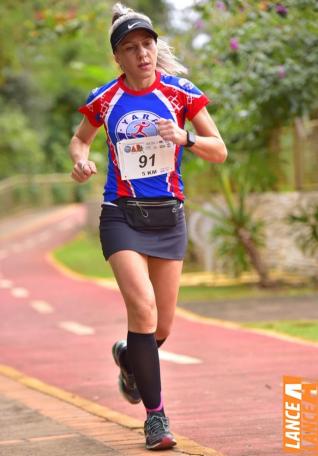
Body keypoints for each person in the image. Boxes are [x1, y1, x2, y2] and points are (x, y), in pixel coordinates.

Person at [69, 2, 227, 451]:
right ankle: (156, 419)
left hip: (168, 217)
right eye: (130, 48)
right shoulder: (106, 98)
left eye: (147, 45)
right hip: (121, 213)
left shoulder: (180, 93)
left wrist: (186, 138)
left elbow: (219, 149)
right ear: (117, 57)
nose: (141, 54)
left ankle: (128, 358)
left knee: (160, 329)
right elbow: (80, 139)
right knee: (142, 311)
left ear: (156, 48)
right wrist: (81, 162)